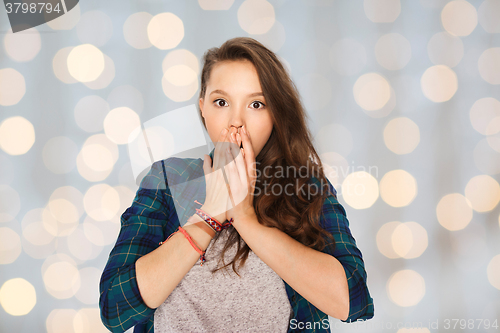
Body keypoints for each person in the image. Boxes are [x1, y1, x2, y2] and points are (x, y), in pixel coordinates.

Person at [99, 37, 374, 333]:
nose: (236, 121)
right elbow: (115, 310)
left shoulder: (305, 185)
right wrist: (211, 216)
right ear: (203, 108)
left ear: (275, 114)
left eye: (256, 104)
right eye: (221, 102)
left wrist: (245, 218)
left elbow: (353, 301)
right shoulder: (168, 179)